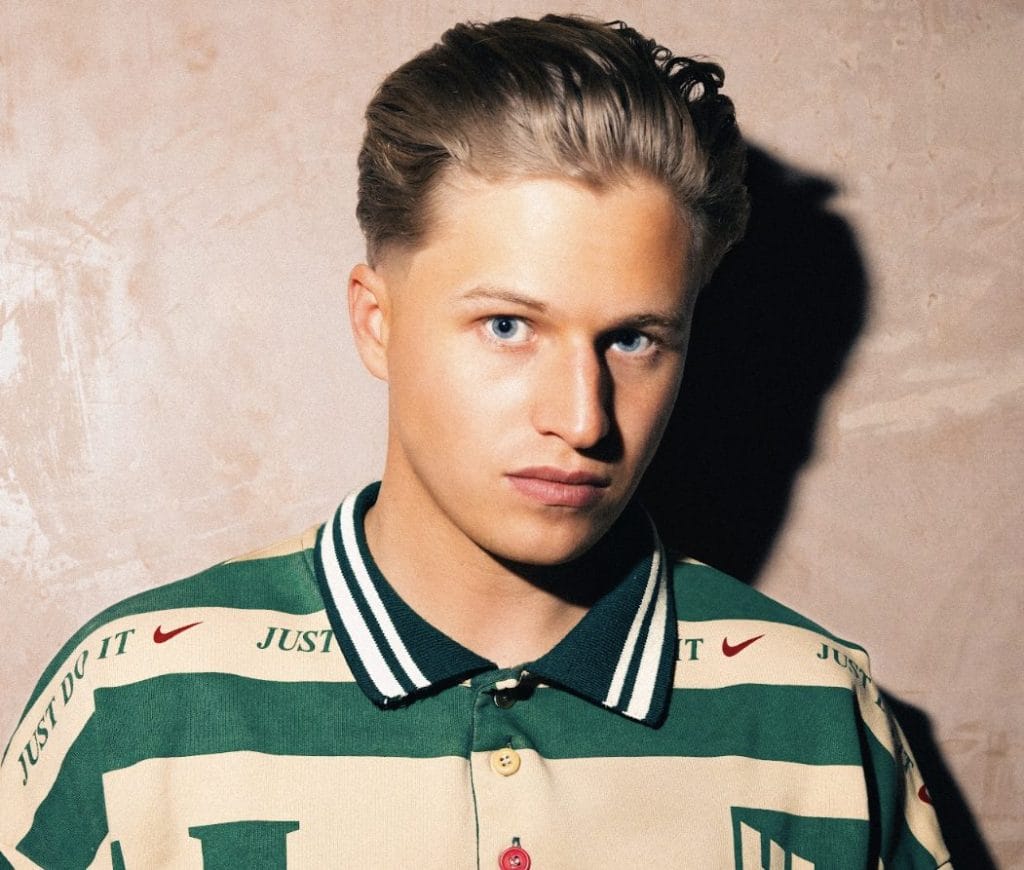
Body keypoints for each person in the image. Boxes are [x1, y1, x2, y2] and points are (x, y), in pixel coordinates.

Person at [1, 14, 950, 869]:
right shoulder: (135, 700)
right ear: (376, 323)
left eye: (632, 340)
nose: (583, 419)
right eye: (508, 326)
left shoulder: (820, 714)